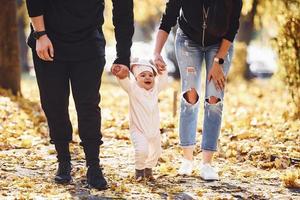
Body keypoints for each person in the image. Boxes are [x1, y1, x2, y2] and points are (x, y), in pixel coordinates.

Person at [25, 0, 134, 190]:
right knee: (54, 103)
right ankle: (63, 160)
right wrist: (40, 34)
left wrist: (123, 56)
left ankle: (93, 165)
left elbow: (123, 10)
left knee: (88, 104)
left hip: (89, 43)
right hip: (48, 40)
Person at [153, 0, 242, 180]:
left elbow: (232, 26)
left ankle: (207, 164)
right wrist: (156, 53)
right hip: (188, 41)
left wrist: (219, 61)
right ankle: (187, 159)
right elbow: (168, 19)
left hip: (219, 44)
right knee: (190, 96)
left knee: (214, 99)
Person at [114, 58, 168, 182]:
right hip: (138, 129)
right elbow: (124, 81)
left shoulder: (155, 90)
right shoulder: (133, 89)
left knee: (156, 152)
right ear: (136, 78)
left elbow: (163, 82)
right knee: (142, 150)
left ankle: (148, 169)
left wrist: (163, 71)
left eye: (150, 75)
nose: (147, 78)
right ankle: (139, 171)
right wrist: (121, 75)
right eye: (142, 75)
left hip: (154, 130)